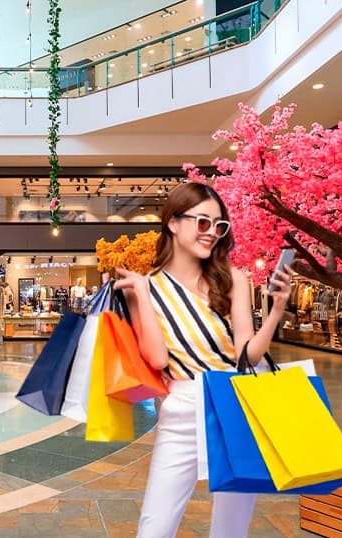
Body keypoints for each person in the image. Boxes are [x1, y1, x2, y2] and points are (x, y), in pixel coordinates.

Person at [112, 183, 293, 538]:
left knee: (231, 528)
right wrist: (145, 298)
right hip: (181, 407)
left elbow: (247, 355)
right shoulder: (145, 287)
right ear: (173, 223)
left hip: (237, 404)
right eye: (203, 223)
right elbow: (157, 357)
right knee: (155, 526)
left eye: (219, 225)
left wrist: (275, 312)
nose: (212, 233)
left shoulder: (232, 281)